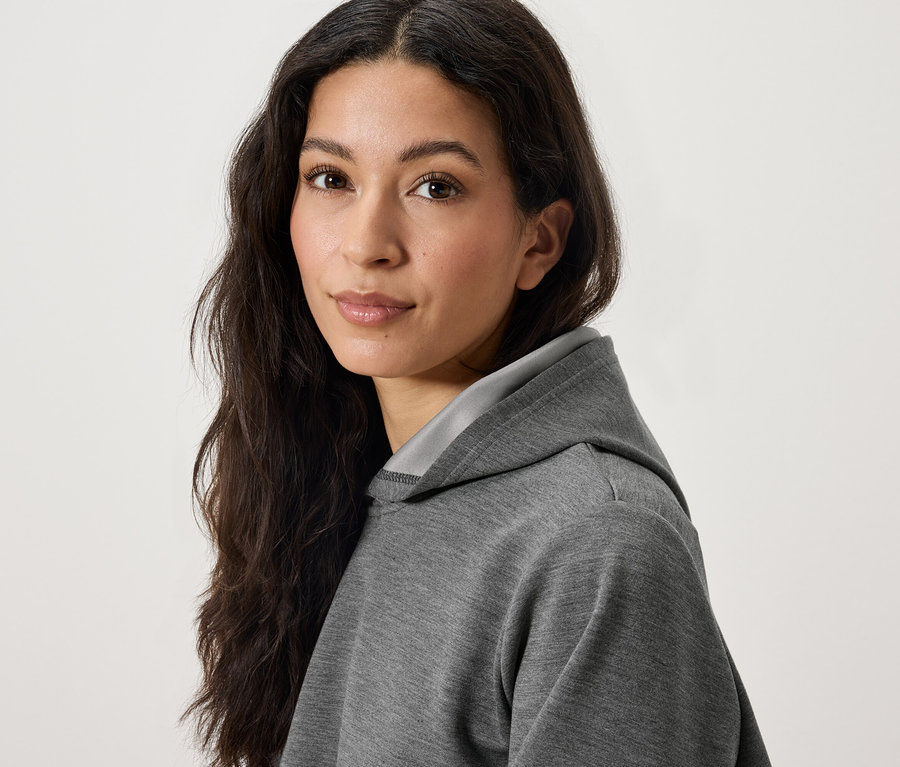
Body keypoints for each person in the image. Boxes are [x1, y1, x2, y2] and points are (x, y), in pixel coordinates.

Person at [186, 0, 771, 765]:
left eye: (435, 186)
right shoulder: (348, 483)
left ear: (541, 240)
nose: (366, 244)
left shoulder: (597, 544)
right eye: (330, 177)